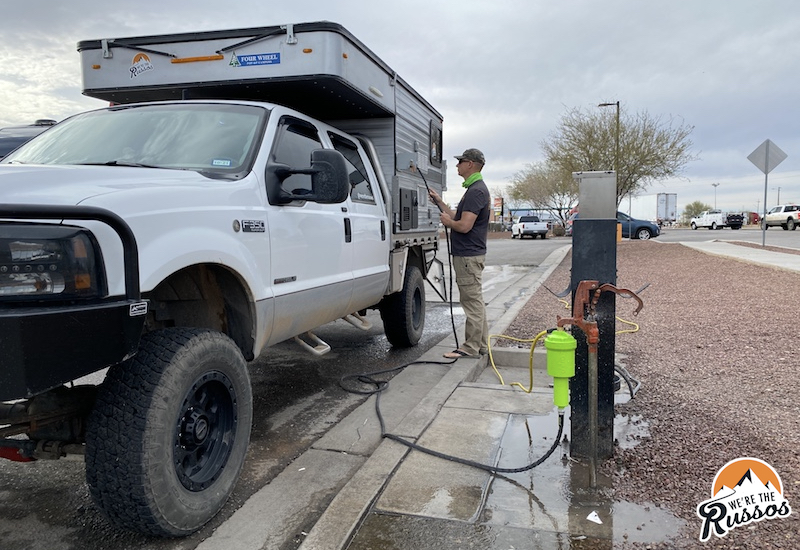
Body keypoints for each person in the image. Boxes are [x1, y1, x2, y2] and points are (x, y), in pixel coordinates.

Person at [428, 148, 491, 359]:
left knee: (471, 302)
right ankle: (480, 345)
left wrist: (448, 223)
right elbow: (458, 215)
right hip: (469, 255)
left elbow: (463, 225)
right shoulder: (474, 189)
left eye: (461, 161)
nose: (457, 165)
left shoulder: (476, 191)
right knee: (475, 302)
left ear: (471, 164)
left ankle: (470, 347)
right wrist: (439, 202)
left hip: (468, 256)